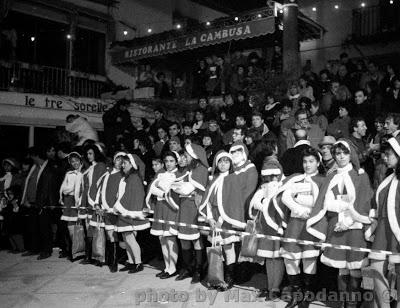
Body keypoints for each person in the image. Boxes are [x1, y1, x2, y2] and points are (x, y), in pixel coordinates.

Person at [306, 139, 374, 308]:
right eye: (338, 153)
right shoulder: (331, 177)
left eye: (344, 152)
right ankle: (344, 302)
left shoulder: (361, 175)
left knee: (355, 267)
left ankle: (353, 303)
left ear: (351, 154)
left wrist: (349, 221)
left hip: (355, 226)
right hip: (335, 225)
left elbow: (364, 203)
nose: (341, 156)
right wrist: (337, 214)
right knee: (341, 267)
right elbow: (323, 203)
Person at [279, 147, 326, 308]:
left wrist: (300, 200)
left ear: (318, 163)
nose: (307, 165)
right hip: (294, 224)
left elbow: (321, 202)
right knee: (290, 259)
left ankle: (307, 296)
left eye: (311, 161)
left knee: (309, 259)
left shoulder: (323, 180)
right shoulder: (296, 179)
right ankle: (296, 295)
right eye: (305, 161)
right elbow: (285, 197)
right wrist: (299, 207)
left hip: (311, 225)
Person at [199, 151, 240, 290]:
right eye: (221, 161)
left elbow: (233, 203)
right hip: (214, 218)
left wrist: (221, 221)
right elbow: (208, 201)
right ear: (217, 164)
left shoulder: (233, 178)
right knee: (217, 248)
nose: (223, 164)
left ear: (230, 163)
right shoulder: (214, 178)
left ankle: (230, 278)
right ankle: (217, 276)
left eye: (226, 161)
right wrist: (210, 218)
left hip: (226, 219)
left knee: (228, 247)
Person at [249, 141, 285, 300]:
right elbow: (254, 202)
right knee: (269, 257)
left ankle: (275, 288)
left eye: (275, 174)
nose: (272, 177)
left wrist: (268, 204)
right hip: (266, 224)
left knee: (277, 256)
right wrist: (263, 204)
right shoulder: (264, 186)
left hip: (278, 223)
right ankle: (271, 286)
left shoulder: (283, 185)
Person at [368, 136, 400, 308]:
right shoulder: (390, 177)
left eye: (388, 154)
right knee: (376, 270)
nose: (384, 158)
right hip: (383, 231)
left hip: (398, 232)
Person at [172, 144, 209, 284]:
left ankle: (199, 269)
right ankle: (188, 267)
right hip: (184, 207)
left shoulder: (202, 169)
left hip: (194, 209)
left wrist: (176, 187)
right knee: (183, 238)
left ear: (194, 156)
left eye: (186, 155)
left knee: (196, 239)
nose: (184, 158)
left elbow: (186, 189)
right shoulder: (187, 170)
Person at [147, 151, 180, 279]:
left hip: (170, 208)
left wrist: (161, 190)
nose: (168, 164)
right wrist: (161, 191)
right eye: (166, 161)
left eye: (171, 161)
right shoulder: (161, 174)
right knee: (162, 239)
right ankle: (167, 267)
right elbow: (152, 189)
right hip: (160, 208)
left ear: (176, 161)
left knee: (170, 239)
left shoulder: (179, 174)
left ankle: (173, 268)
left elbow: (172, 192)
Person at [114, 154, 149, 274]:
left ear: (132, 164)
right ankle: (130, 261)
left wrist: (117, 207)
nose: (123, 165)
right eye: (122, 163)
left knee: (130, 238)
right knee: (126, 237)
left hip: (128, 212)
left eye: (125, 163)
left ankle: (138, 263)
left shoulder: (134, 177)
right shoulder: (129, 177)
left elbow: (130, 196)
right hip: (124, 211)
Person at [94, 152, 125, 272]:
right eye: (118, 159)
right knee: (110, 235)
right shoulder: (107, 174)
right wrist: (97, 204)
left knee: (120, 236)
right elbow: (99, 190)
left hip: (117, 211)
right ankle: (112, 260)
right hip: (106, 210)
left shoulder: (123, 176)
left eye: (123, 160)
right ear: (114, 160)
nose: (120, 162)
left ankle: (119, 259)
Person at [79, 144, 107, 265]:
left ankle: (99, 257)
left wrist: (96, 202)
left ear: (96, 153)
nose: (88, 156)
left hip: (96, 203)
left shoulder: (100, 166)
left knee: (98, 230)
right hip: (88, 203)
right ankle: (90, 256)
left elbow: (100, 186)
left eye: (91, 153)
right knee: (90, 230)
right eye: (87, 154)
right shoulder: (90, 167)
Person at [59, 152, 83, 261]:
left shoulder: (83, 172)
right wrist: (70, 189)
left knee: (81, 227)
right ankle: (74, 251)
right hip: (69, 202)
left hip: (81, 202)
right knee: (71, 228)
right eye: (72, 161)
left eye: (76, 160)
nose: (75, 163)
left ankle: (81, 251)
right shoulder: (69, 174)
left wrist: (71, 189)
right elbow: (64, 189)